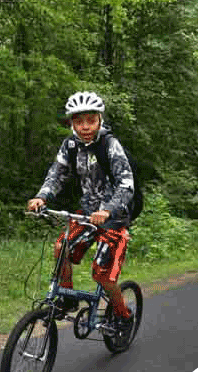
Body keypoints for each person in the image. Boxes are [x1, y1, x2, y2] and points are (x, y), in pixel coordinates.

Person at [27, 91, 134, 334]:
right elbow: (57, 173)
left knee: (103, 276)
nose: (85, 126)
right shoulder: (71, 145)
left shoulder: (110, 145)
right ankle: (67, 298)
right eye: (78, 121)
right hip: (86, 215)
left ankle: (124, 315)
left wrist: (108, 209)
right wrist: (42, 196)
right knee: (60, 247)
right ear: (71, 122)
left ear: (99, 119)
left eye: (90, 120)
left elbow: (127, 184)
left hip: (113, 219)